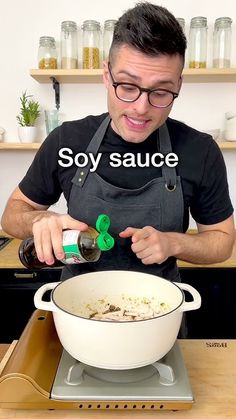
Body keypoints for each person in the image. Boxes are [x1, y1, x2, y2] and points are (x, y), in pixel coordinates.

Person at [1, 2, 235, 283]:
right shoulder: (66, 140)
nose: (140, 108)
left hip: (159, 309)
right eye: (127, 86)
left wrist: (175, 243)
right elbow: (13, 214)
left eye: (161, 92)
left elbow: (222, 242)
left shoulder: (200, 150)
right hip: (78, 306)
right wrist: (38, 220)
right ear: (106, 75)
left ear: (179, 86)